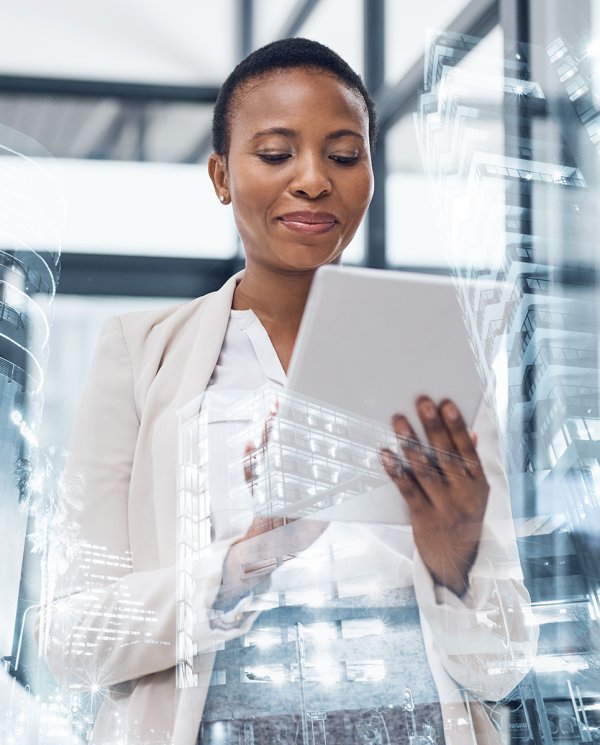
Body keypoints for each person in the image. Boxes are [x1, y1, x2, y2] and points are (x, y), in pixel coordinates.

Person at [41, 38, 537, 745]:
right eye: (275, 154)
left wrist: (457, 564)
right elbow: (72, 640)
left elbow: (503, 666)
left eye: (343, 155)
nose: (313, 180)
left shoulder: (437, 365)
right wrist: (236, 567)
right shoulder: (139, 355)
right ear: (220, 175)